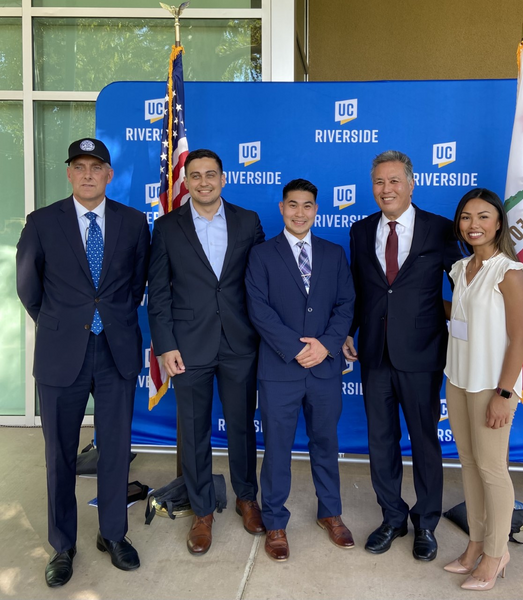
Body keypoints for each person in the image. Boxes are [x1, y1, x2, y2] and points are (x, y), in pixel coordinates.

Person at [16, 138, 150, 587]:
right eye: (80, 166)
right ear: (69, 174)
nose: (88, 174)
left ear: (109, 174)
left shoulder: (133, 223)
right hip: (60, 355)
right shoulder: (41, 223)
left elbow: (135, 286)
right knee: (59, 456)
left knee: (114, 451)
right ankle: (63, 545)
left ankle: (113, 534)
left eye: (96, 166)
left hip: (116, 351)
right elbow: (28, 289)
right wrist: (61, 324)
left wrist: (105, 320)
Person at [343, 150, 461, 561]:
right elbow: (358, 292)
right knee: (381, 440)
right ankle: (392, 517)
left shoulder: (441, 230)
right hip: (375, 355)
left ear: (412, 184)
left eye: (394, 181)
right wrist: (348, 331)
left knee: (425, 441)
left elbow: (463, 292)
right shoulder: (360, 232)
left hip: (423, 355)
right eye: (379, 182)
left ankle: (425, 522)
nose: (386, 189)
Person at [148, 148, 265, 556]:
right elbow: (158, 293)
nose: (202, 182)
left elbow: (262, 282)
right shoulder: (166, 228)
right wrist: (164, 345)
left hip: (239, 342)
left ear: (223, 178)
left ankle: (246, 498)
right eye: (194, 176)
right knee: (193, 431)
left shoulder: (248, 221)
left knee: (241, 428)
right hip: (187, 345)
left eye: (210, 174)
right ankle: (201, 511)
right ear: (186, 181)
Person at [245, 178, 356, 561]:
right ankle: (274, 520)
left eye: (307, 205)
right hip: (280, 370)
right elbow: (259, 310)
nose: (299, 212)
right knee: (277, 449)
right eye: (292, 205)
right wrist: (297, 349)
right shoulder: (261, 255)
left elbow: (346, 304)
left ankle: (331, 512)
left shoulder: (333, 253)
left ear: (316, 210)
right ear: (281, 208)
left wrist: (325, 345)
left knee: (326, 443)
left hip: (324, 368)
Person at [443, 188, 523, 590]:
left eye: (482, 216)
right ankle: (476, 543)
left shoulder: (509, 272)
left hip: (490, 387)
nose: (473, 225)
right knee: (469, 463)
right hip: (457, 379)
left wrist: (505, 394)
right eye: (466, 217)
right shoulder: (461, 269)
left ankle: (497, 554)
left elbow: (518, 340)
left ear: (498, 222)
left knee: (493, 469)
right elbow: (460, 318)